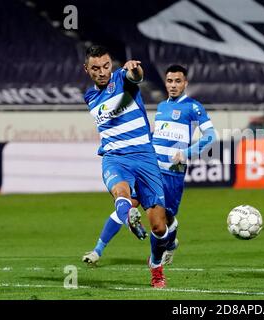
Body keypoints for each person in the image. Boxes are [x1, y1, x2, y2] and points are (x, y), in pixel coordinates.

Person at [82, 63, 216, 282]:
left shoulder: (193, 107)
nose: (173, 85)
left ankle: (171, 242)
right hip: (151, 168)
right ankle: (98, 250)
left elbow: (211, 137)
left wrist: (187, 153)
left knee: (165, 221)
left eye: (178, 81)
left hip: (173, 173)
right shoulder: (162, 106)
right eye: (170, 81)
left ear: (185, 83)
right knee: (126, 205)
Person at [82, 45, 170, 288]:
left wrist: (135, 70)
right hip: (115, 157)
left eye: (106, 66)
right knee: (121, 192)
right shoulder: (89, 97)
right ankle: (129, 216)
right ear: (87, 69)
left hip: (145, 158)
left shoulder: (121, 77)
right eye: (96, 68)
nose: (102, 72)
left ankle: (155, 263)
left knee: (159, 227)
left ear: (112, 65)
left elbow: (135, 77)